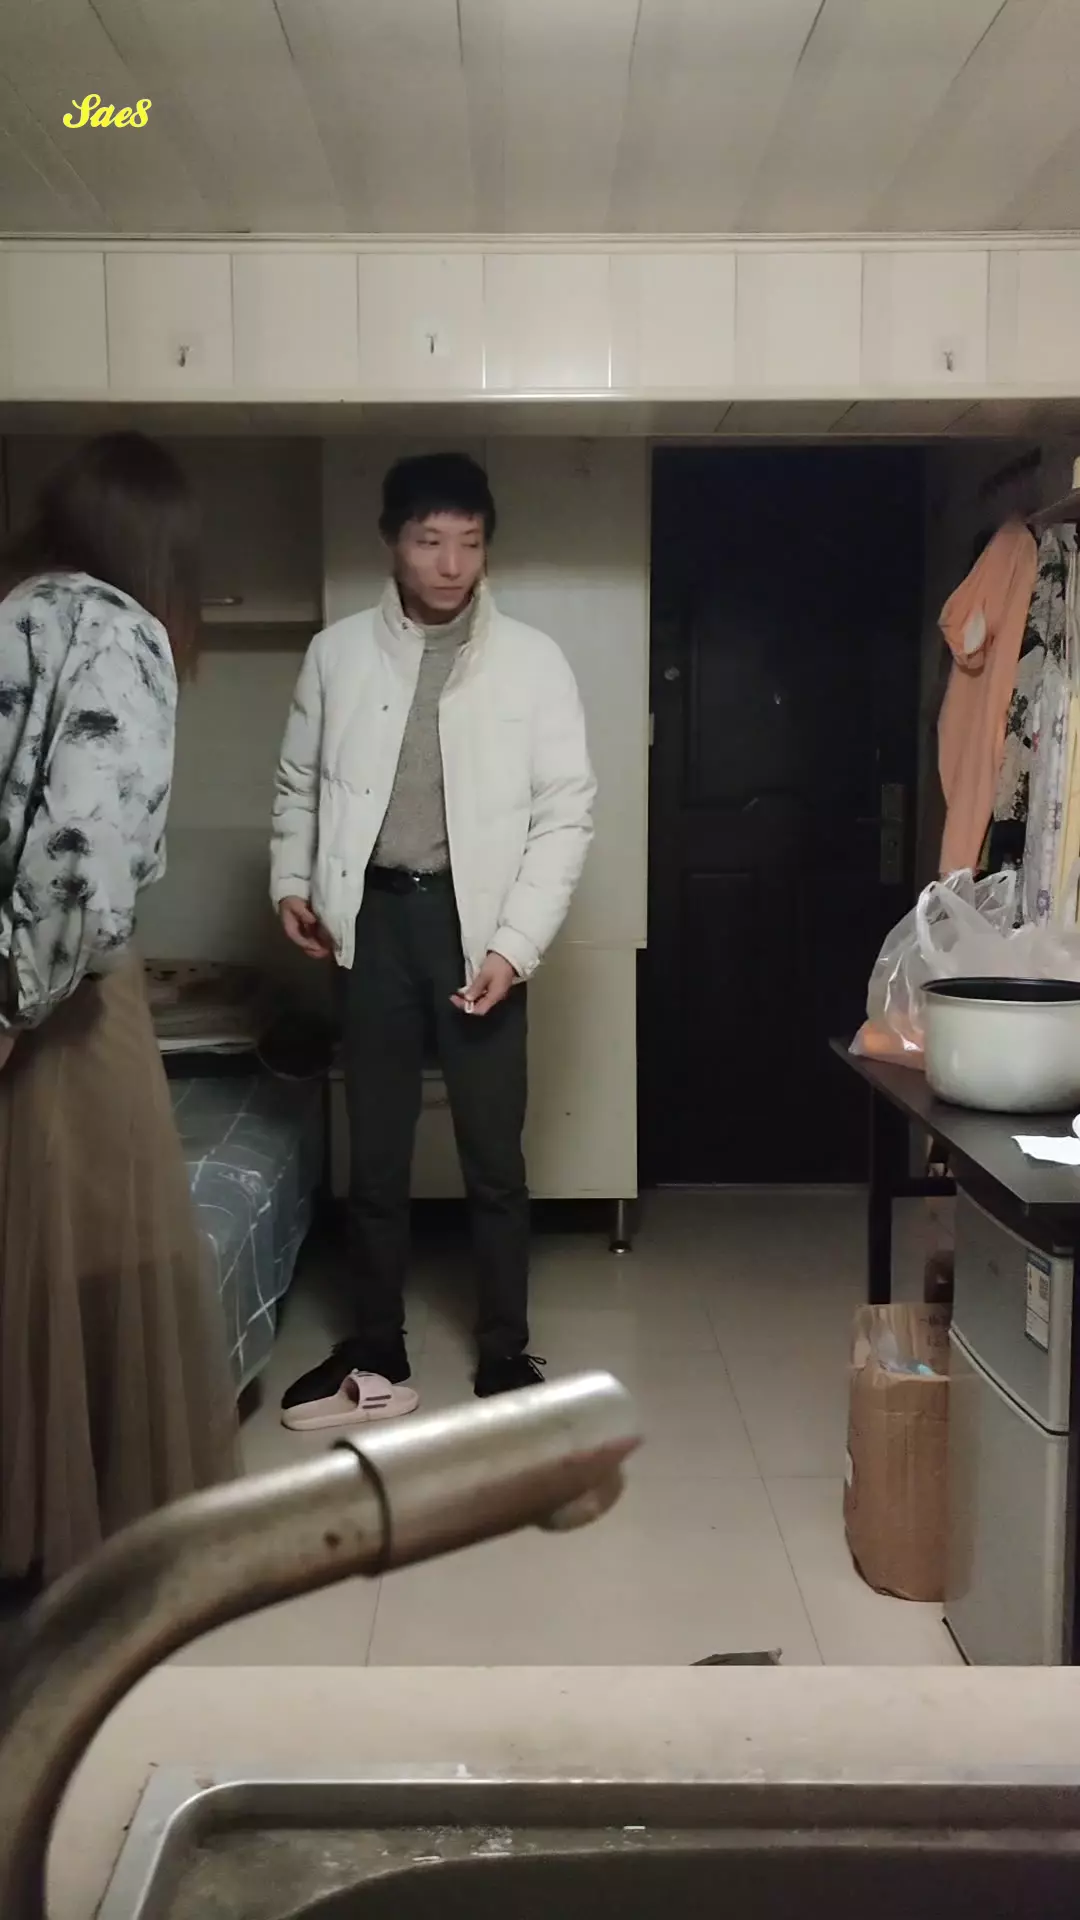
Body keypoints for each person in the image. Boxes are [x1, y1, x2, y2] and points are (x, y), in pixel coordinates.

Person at [272, 451, 595, 1423]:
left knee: (494, 1156)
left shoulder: (533, 661)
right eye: (429, 541)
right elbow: (299, 784)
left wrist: (513, 946)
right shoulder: (337, 654)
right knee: (374, 1155)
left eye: (469, 542)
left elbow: (565, 813)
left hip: (480, 926)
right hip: (372, 924)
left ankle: (504, 1352)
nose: (451, 564)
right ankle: (376, 1348)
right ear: (392, 542)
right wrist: (293, 880)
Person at [0, 432, 238, 1592]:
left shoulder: (13, 613)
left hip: (27, 989)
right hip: (66, 1011)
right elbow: (80, 861)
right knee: (105, 1269)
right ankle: (88, 1555)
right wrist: (12, 1003)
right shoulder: (118, 631)